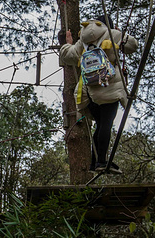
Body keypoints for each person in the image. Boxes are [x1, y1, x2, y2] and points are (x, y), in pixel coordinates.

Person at [59, 15, 138, 173]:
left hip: (90, 92)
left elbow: (68, 56)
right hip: (110, 89)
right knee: (106, 125)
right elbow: (132, 46)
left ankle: (94, 163)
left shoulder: (83, 40)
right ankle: (101, 161)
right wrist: (121, 34)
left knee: (100, 125)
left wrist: (68, 44)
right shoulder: (113, 34)